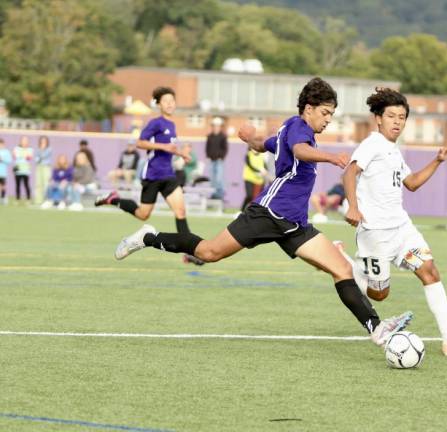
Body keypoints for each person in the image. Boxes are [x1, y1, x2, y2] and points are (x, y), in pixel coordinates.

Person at [113, 77, 412, 347]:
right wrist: (331, 157)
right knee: (207, 253)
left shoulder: (288, 129)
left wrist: (249, 139)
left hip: (295, 224)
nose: (328, 120)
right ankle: (148, 237)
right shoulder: (298, 129)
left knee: (341, 270)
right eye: (325, 113)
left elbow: (264, 144)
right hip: (268, 214)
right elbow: (299, 151)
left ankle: (377, 328)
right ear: (308, 108)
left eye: (331, 115)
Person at [340, 87, 447, 356]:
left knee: (429, 270)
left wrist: (438, 161)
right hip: (375, 234)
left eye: (402, 117)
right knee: (379, 294)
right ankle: (345, 264)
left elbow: (412, 183)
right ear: (378, 119)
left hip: (402, 229)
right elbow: (349, 173)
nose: (397, 121)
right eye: (392, 116)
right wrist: (353, 207)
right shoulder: (372, 144)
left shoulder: (394, 150)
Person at [95, 86, 203, 266]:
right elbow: (140, 143)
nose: (169, 104)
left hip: (168, 175)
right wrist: (163, 147)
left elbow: (169, 148)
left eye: (172, 101)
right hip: (152, 175)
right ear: (158, 104)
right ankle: (113, 199)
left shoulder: (172, 125)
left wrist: (181, 154)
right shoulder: (156, 123)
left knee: (180, 211)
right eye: (165, 101)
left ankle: (189, 253)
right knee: (143, 214)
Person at [205, 117, 228, 199]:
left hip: (219, 161)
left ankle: (219, 196)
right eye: (214, 126)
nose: (215, 127)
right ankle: (214, 195)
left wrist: (221, 157)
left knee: (219, 178)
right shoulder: (209, 136)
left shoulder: (223, 137)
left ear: (220, 127)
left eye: (217, 126)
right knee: (213, 179)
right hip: (211, 160)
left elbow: (225, 149)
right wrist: (208, 156)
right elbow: (207, 148)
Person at [13, 136, 33, 202]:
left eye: (26, 141)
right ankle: (17, 199)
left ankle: (28, 198)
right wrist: (23, 155)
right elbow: (15, 156)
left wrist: (21, 155)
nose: (24, 142)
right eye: (23, 140)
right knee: (17, 185)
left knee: (26, 185)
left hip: (26, 170)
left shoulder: (30, 149)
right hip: (18, 170)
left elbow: (29, 157)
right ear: (21, 141)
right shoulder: (16, 148)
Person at [34, 135, 52, 204]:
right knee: (38, 184)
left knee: (46, 183)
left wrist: (42, 150)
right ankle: (38, 200)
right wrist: (40, 152)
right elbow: (36, 159)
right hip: (39, 167)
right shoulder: (37, 149)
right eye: (42, 141)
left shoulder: (49, 149)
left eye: (44, 141)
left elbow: (44, 156)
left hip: (46, 167)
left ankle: (47, 199)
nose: (43, 142)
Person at [0, 138, 12, 204]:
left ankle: (3, 198)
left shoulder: (6, 152)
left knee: (3, 186)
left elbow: (9, 161)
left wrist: (2, 159)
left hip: (3, 173)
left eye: (1, 144)